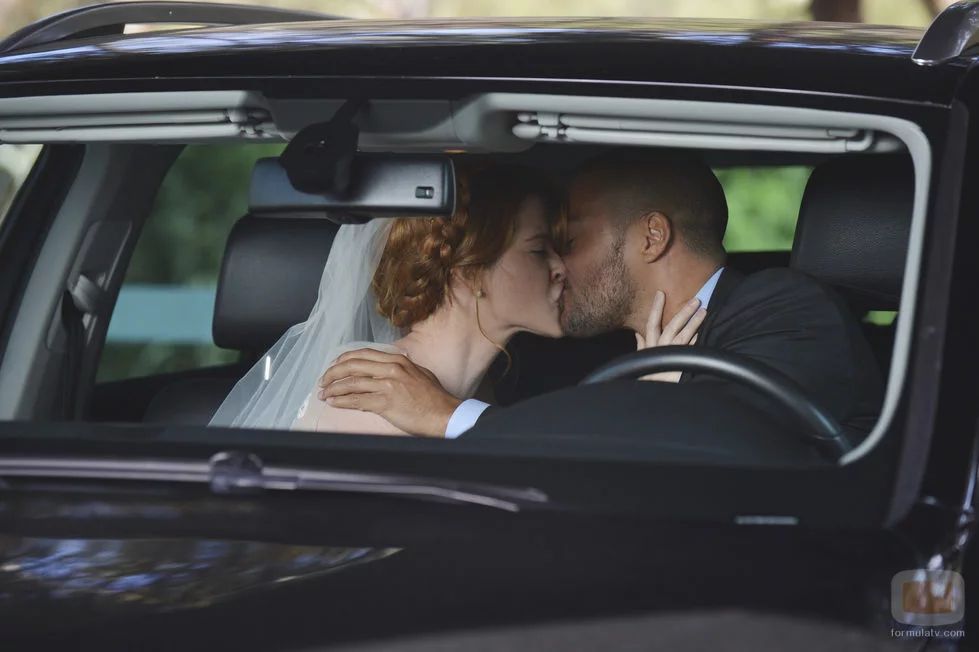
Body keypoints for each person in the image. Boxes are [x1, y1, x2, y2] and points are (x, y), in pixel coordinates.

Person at [317, 150, 884, 444]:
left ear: (651, 237)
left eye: (569, 240)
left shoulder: (787, 311)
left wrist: (446, 416)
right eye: (544, 247)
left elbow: (723, 451)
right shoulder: (563, 352)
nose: (558, 267)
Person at [209, 162, 705, 434]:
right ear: (470, 271)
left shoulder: (474, 394)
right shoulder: (367, 390)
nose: (560, 268)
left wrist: (648, 406)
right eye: (539, 250)